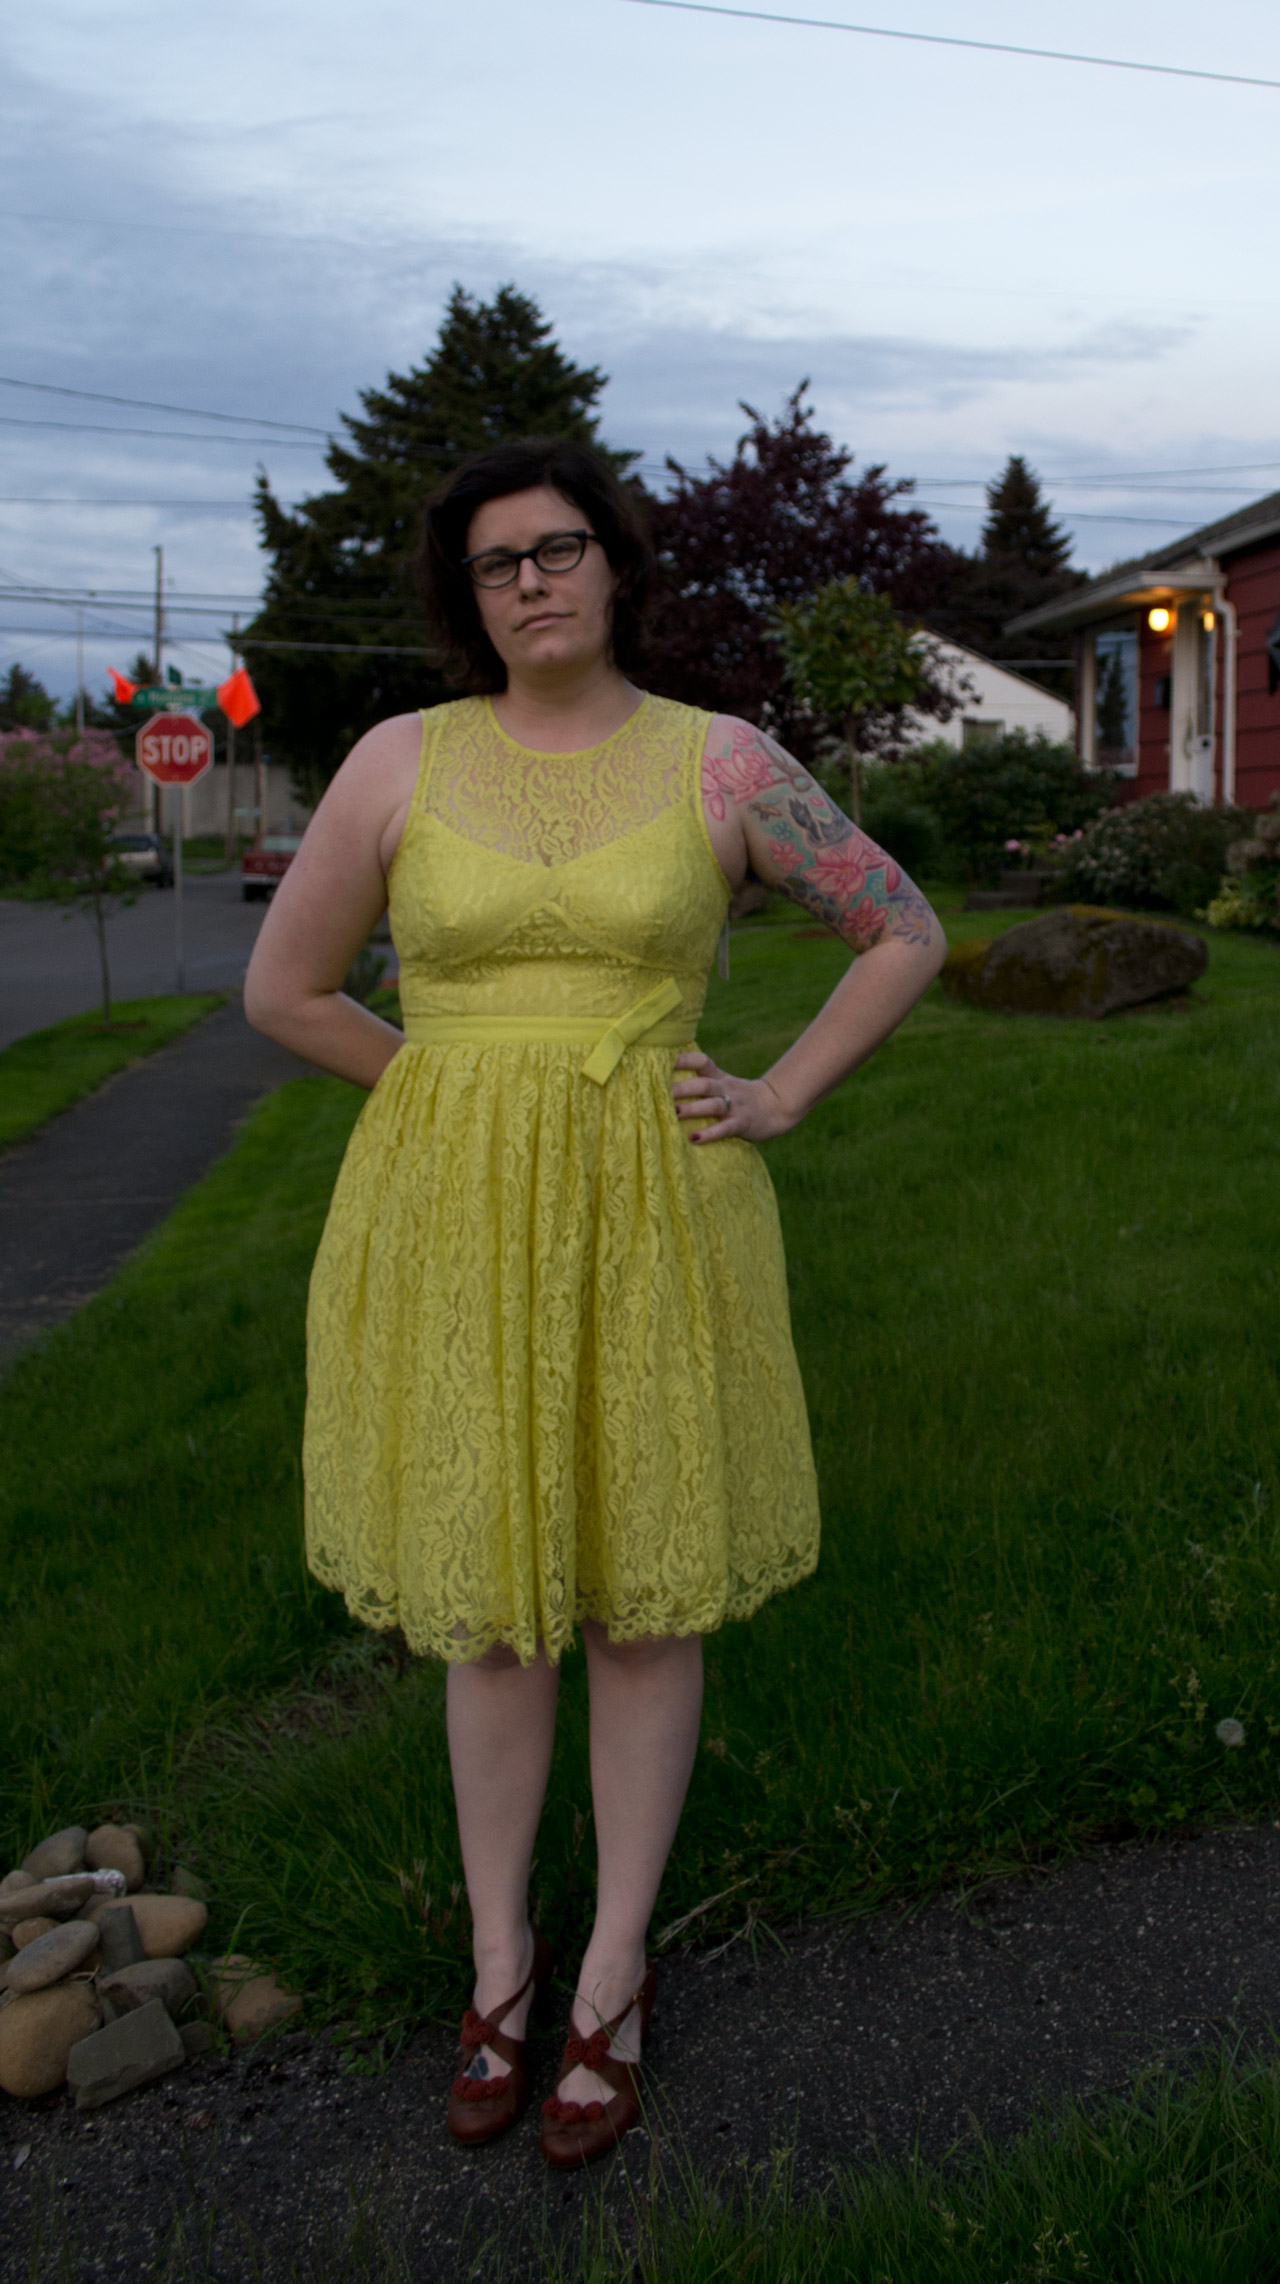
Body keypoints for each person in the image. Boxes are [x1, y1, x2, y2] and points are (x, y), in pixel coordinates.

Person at [244, 436, 945, 2169]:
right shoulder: (400, 761)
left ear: (616, 566)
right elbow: (286, 989)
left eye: (559, 548)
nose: (533, 582)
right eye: (497, 562)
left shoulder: (725, 761)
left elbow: (904, 931)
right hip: (457, 1220)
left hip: (660, 1211)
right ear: (465, 596)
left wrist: (777, 1094)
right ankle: (501, 1966)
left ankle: (614, 1972)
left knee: (641, 1596)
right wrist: (451, 1096)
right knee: (490, 1606)